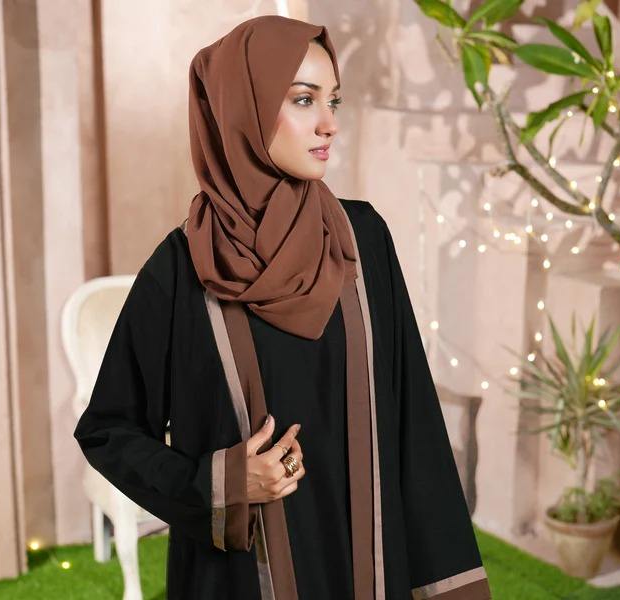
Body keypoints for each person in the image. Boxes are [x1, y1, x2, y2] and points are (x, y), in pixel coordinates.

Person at [73, 14, 491, 600]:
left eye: (333, 100)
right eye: (302, 99)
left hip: (368, 572)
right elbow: (108, 429)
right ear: (242, 108)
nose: (329, 123)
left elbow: (413, 422)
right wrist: (223, 483)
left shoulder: (363, 240)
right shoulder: (181, 269)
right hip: (239, 581)